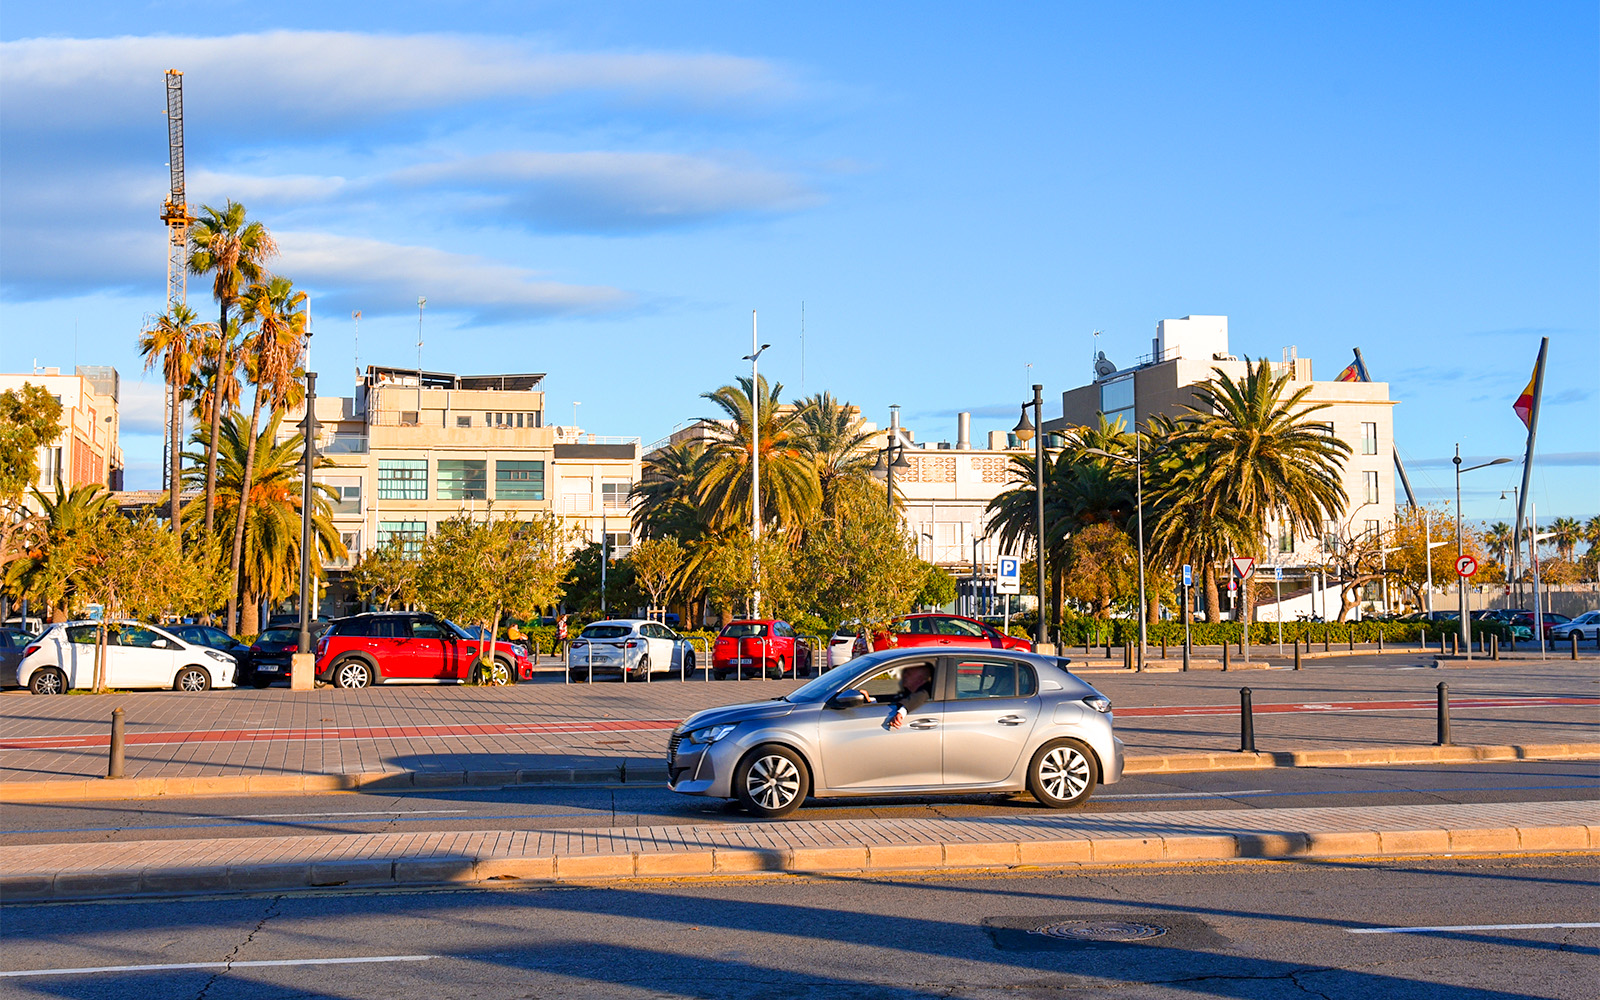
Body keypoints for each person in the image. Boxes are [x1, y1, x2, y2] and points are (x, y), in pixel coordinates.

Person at [851, 662, 935, 730]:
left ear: (920, 680)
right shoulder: (905, 693)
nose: (904, 675)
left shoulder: (924, 693)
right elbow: (890, 700)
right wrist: (870, 700)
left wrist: (901, 713)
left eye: (908, 674)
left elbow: (919, 697)